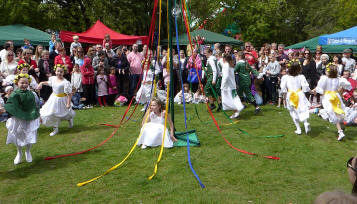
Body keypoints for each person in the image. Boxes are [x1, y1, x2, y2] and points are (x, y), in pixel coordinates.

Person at [4, 73, 40, 164]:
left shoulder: (32, 94)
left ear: (28, 84)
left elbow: (36, 105)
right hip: (18, 119)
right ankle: (19, 152)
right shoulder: (14, 94)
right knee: (18, 135)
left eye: (26, 83)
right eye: (22, 83)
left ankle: (28, 151)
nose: (24, 85)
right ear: (17, 83)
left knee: (29, 134)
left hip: (30, 118)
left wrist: (38, 115)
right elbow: (10, 105)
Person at [312, 63, 352, 141]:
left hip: (328, 98)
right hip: (336, 96)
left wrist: (315, 90)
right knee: (337, 112)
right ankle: (341, 127)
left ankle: (340, 132)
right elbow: (348, 85)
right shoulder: (339, 79)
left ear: (328, 72)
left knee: (331, 113)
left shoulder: (324, 78)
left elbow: (320, 88)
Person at [38, 64, 75, 136]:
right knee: (53, 114)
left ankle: (70, 120)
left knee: (65, 113)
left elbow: (69, 93)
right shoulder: (53, 78)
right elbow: (50, 83)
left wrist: (68, 103)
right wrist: (42, 83)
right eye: (58, 71)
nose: (59, 73)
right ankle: (55, 129)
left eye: (61, 72)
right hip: (53, 98)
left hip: (62, 99)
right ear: (55, 71)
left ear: (63, 73)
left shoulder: (65, 82)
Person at [280, 60, 311, 135]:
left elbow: (283, 88)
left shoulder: (285, 77)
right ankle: (305, 122)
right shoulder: (301, 77)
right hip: (299, 94)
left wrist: (284, 94)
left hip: (290, 95)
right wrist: (309, 91)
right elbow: (305, 87)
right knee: (302, 109)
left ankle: (298, 129)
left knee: (293, 111)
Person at [221, 54, 244, 119]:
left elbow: (226, 76)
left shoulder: (226, 65)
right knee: (233, 98)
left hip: (228, 87)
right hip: (232, 85)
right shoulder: (230, 65)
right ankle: (237, 109)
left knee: (227, 100)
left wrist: (222, 86)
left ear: (224, 59)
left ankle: (237, 109)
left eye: (223, 58)